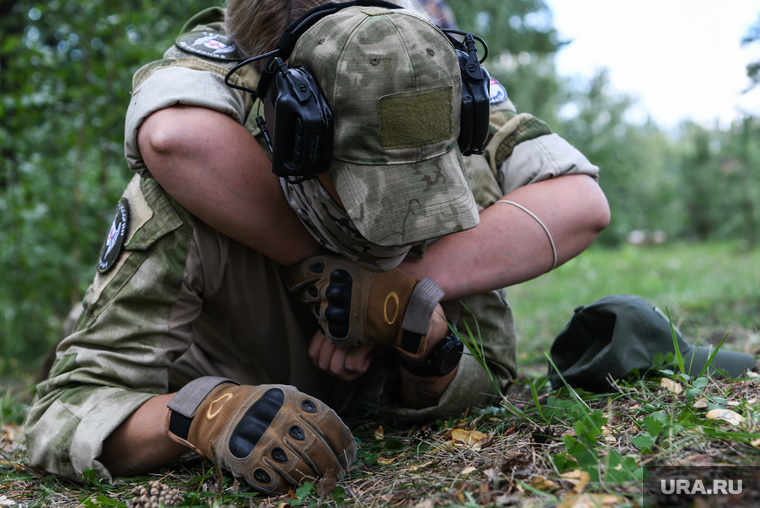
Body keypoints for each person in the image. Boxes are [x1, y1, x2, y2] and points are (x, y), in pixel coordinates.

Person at [24, 0, 610, 495]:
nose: (393, 231)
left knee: (480, 184)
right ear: (290, 121)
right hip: (239, 340)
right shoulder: (242, 67)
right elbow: (175, 136)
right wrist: (200, 414)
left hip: (388, 371)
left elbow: (581, 203)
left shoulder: (420, 63)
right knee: (183, 196)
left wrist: (397, 298)